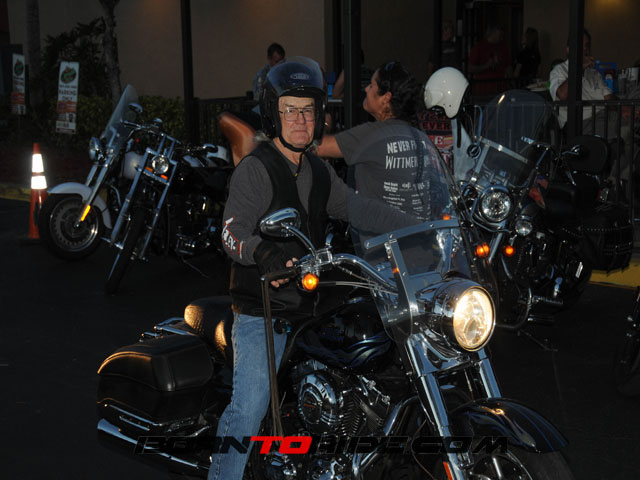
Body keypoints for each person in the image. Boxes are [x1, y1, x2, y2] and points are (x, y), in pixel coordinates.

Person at [212, 57, 412, 480]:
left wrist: (417, 226)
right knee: (249, 408)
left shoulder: (318, 170)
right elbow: (230, 233)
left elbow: (357, 208)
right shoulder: (256, 170)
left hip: (313, 303)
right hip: (264, 310)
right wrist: (262, 252)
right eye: (290, 110)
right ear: (274, 113)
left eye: (308, 110)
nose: (301, 120)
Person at [316, 60, 442, 223]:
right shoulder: (416, 133)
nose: (366, 89)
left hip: (383, 236)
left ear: (385, 98)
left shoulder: (372, 135)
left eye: (371, 85)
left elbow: (318, 148)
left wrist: (321, 123)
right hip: (418, 233)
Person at [467, 25, 512, 96]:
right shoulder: (479, 47)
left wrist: (511, 82)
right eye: (500, 34)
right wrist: (486, 66)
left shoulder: (503, 47)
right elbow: (470, 68)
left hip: (500, 89)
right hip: (483, 90)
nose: (502, 37)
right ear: (493, 33)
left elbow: (508, 66)